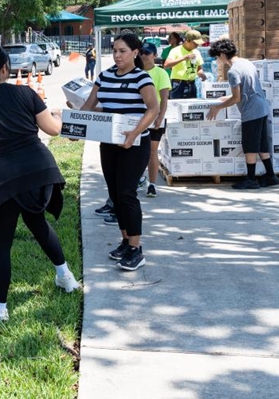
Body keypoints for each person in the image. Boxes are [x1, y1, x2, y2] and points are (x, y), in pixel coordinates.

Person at [0, 44, 80, 322]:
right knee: (38, 224)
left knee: (0, 244)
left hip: (5, 179)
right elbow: (53, 129)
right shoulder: (25, 93)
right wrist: (57, 114)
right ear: (5, 69)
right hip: (40, 170)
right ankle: (66, 277)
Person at [79, 33, 159, 271]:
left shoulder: (141, 78)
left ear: (135, 53)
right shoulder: (104, 77)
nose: (117, 55)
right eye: (114, 50)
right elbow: (91, 106)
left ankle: (136, 249)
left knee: (127, 193)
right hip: (109, 143)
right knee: (115, 194)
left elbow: (153, 109)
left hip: (134, 145)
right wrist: (75, 123)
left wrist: (134, 133)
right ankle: (125, 240)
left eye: (122, 51)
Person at [207, 39, 279, 189]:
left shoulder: (233, 71)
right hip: (261, 106)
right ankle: (271, 176)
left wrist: (218, 107)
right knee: (261, 144)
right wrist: (227, 98)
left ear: (222, 54)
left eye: (217, 57)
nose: (218, 61)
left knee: (250, 146)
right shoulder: (246, 62)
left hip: (251, 111)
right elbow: (247, 89)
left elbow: (237, 98)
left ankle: (251, 179)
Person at [139, 42, 171, 198]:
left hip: (154, 118)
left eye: (147, 52)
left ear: (154, 55)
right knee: (135, 151)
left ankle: (152, 184)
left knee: (152, 152)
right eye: (141, 52)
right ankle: (138, 178)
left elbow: (164, 98)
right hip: (137, 117)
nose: (143, 55)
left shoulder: (161, 73)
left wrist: (160, 117)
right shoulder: (135, 71)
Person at [164, 30, 206, 99]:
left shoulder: (197, 52)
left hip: (192, 84)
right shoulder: (175, 50)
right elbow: (166, 65)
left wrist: (201, 74)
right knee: (176, 107)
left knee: (191, 108)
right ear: (187, 40)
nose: (197, 45)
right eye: (195, 43)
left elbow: (199, 68)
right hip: (178, 84)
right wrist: (184, 58)